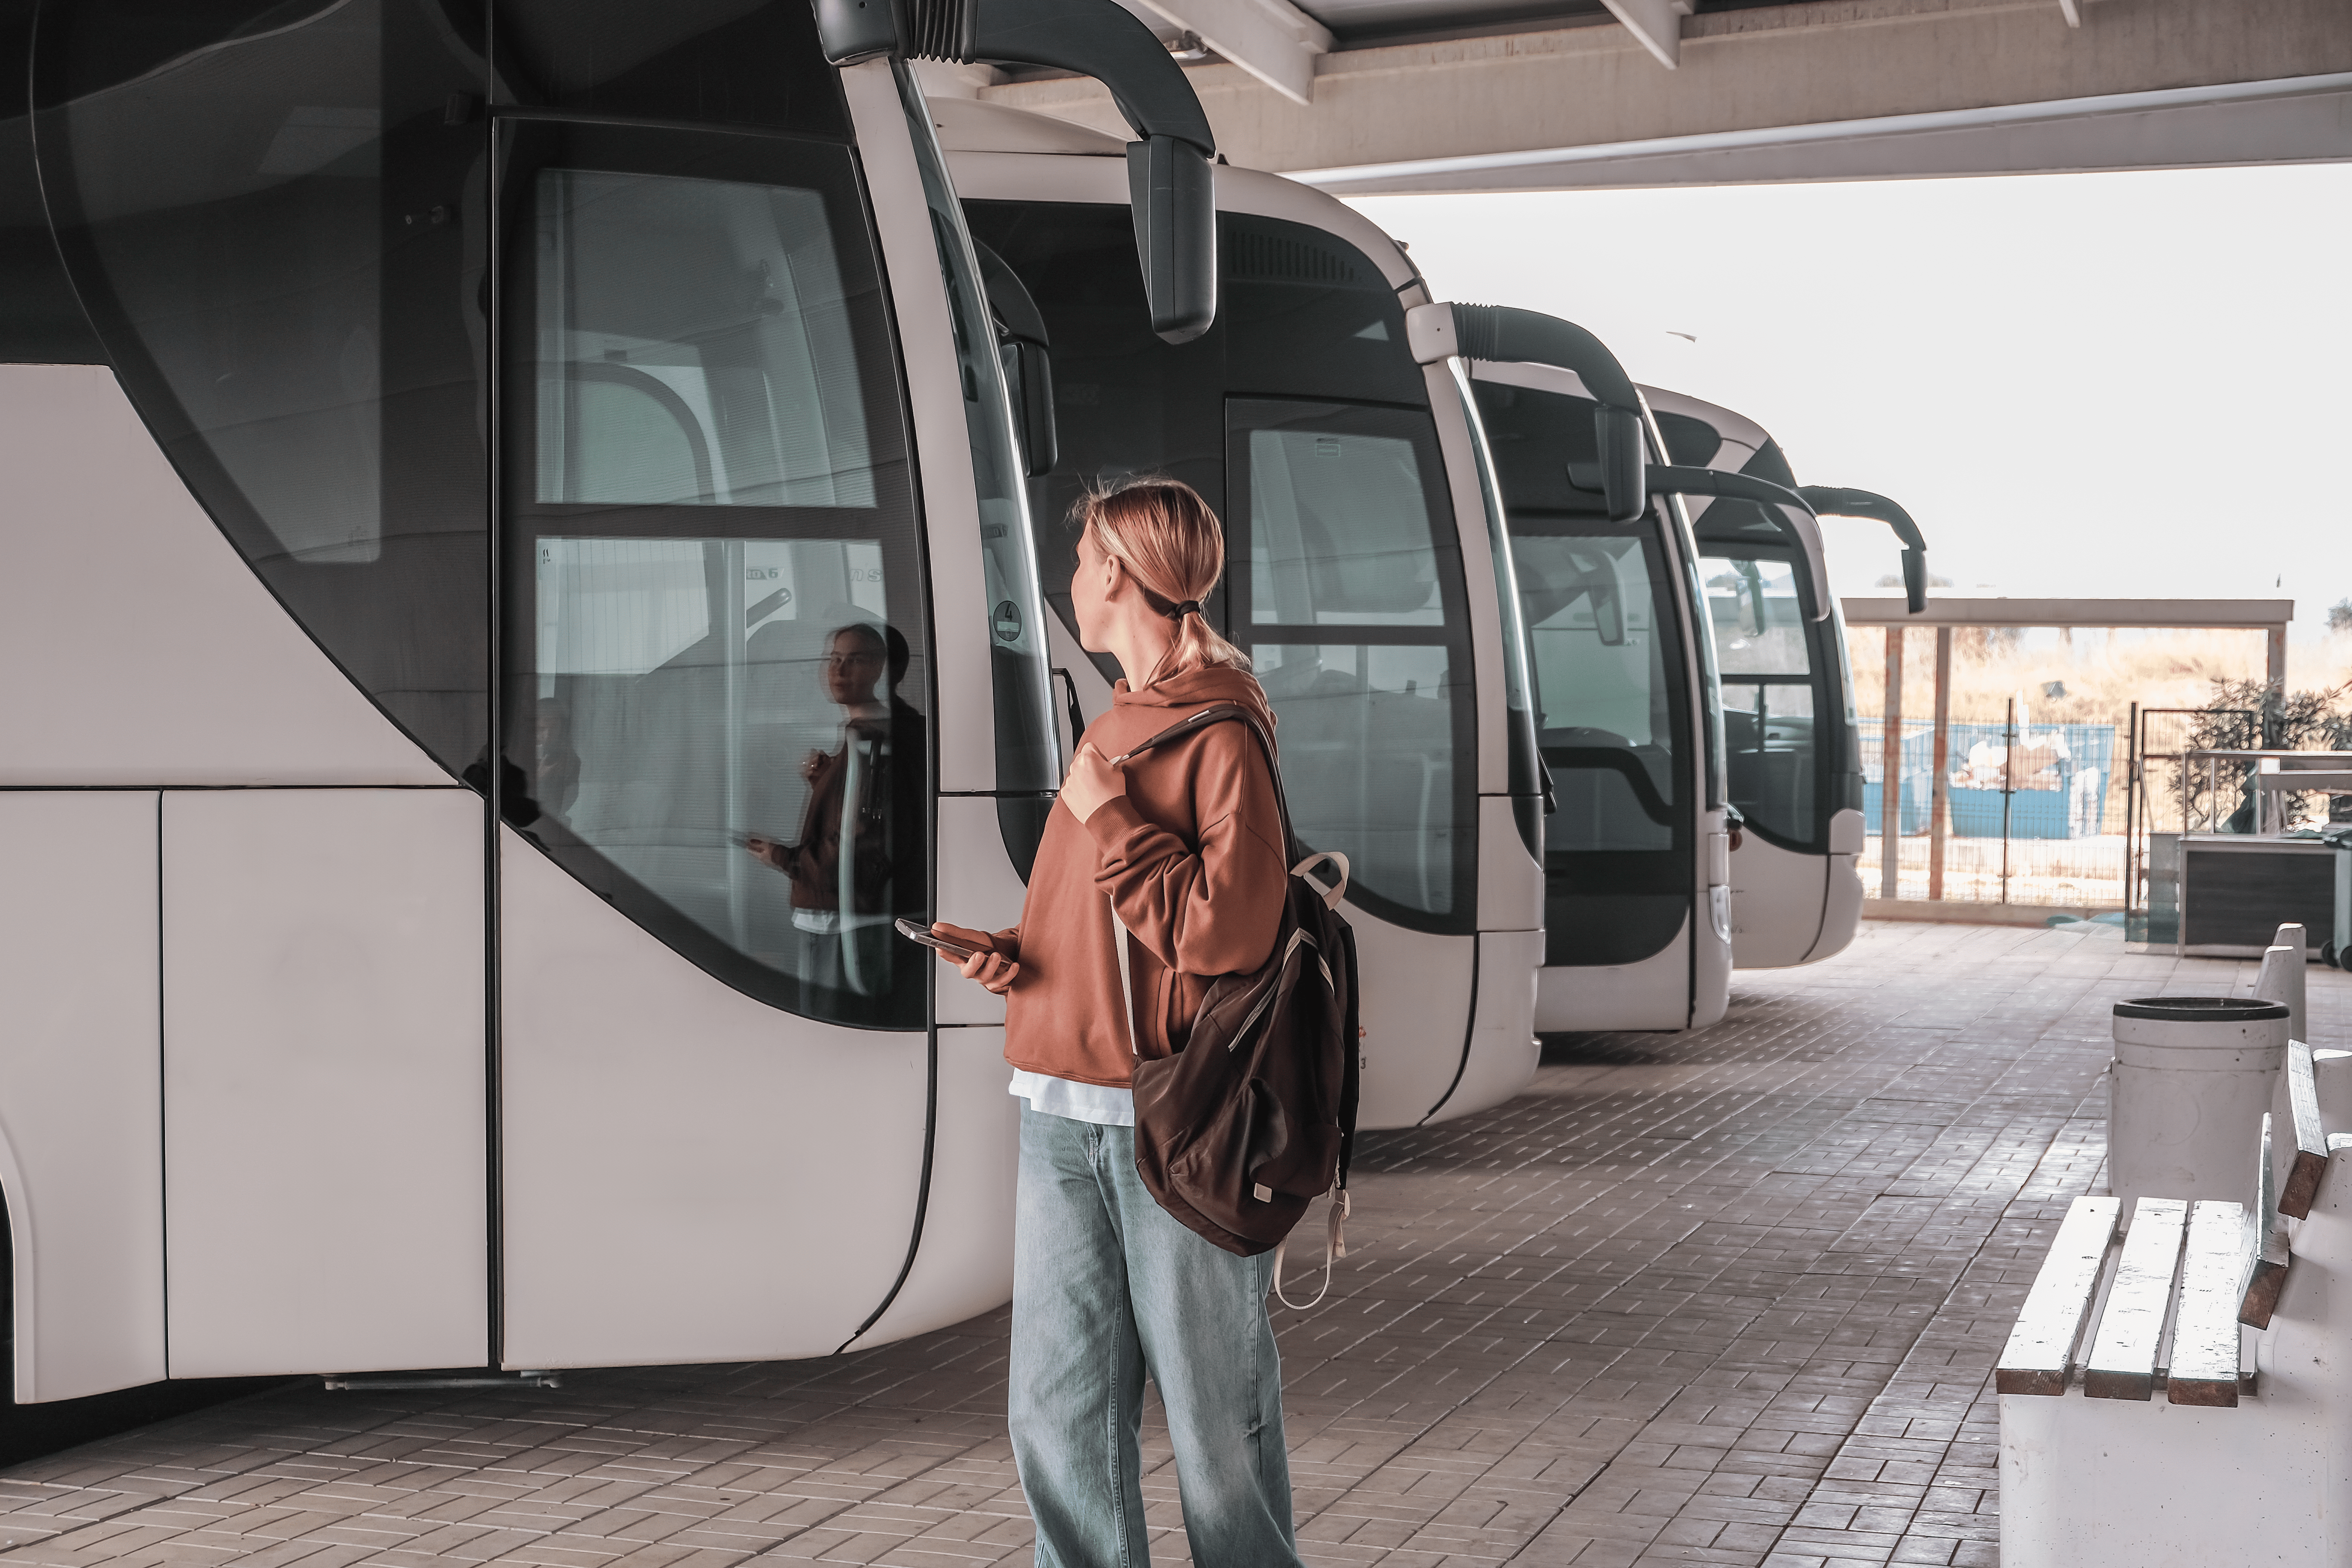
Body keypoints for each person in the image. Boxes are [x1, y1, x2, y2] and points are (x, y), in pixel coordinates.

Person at [930, 478, 1302, 1568]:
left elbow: (1224, 933)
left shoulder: (1220, 728)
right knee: (1058, 1418)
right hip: (1058, 1103)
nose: (1072, 576)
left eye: (1084, 555)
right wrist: (1024, 960)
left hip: (1168, 1121)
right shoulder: (1119, 719)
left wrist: (1110, 816)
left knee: (1213, 1423)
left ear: (1120, 575)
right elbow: (1109, 916)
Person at [744, 621, 924, 1000]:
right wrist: (829, 781)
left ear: (883, 670)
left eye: (856, 659)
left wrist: (781, 857)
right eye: (835, 658)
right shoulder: (897, 731)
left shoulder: (874, 743)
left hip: (849, 926)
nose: (839, 670)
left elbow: (860, 848)